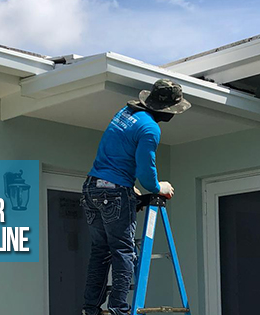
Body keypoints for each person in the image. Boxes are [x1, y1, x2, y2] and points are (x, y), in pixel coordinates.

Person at [80, 79, 191, 315]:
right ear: (167, 110)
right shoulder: (150, 128)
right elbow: (146, 173)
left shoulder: (125, 112)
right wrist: (159, 187)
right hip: (114, 192)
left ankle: (90, 309)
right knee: (123, 252)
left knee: (100, 252)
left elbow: (115, 154)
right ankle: (120, 309)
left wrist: (127, 187)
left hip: (92, 188)